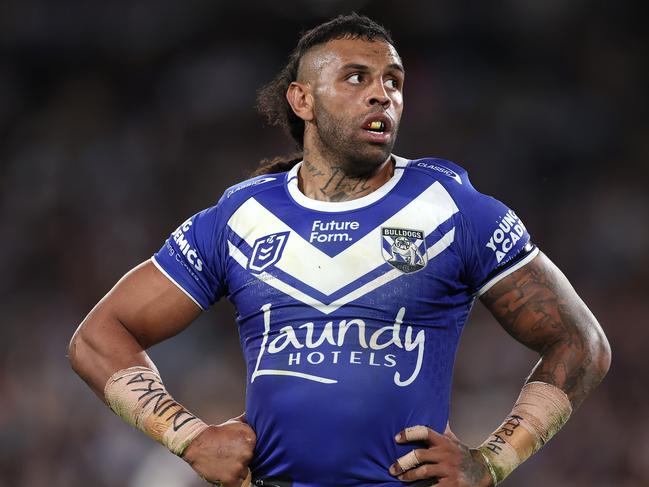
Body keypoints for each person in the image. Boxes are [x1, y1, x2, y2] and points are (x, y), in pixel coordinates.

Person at [68, 13, 611, 487]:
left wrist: (493, 461)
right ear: (302, 99)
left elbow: (580, 342)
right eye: (357, 77)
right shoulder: (241, 218)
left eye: (394, 81)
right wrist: (187, 436)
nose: (383, 94)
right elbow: (98, 338)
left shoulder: (454, 210)